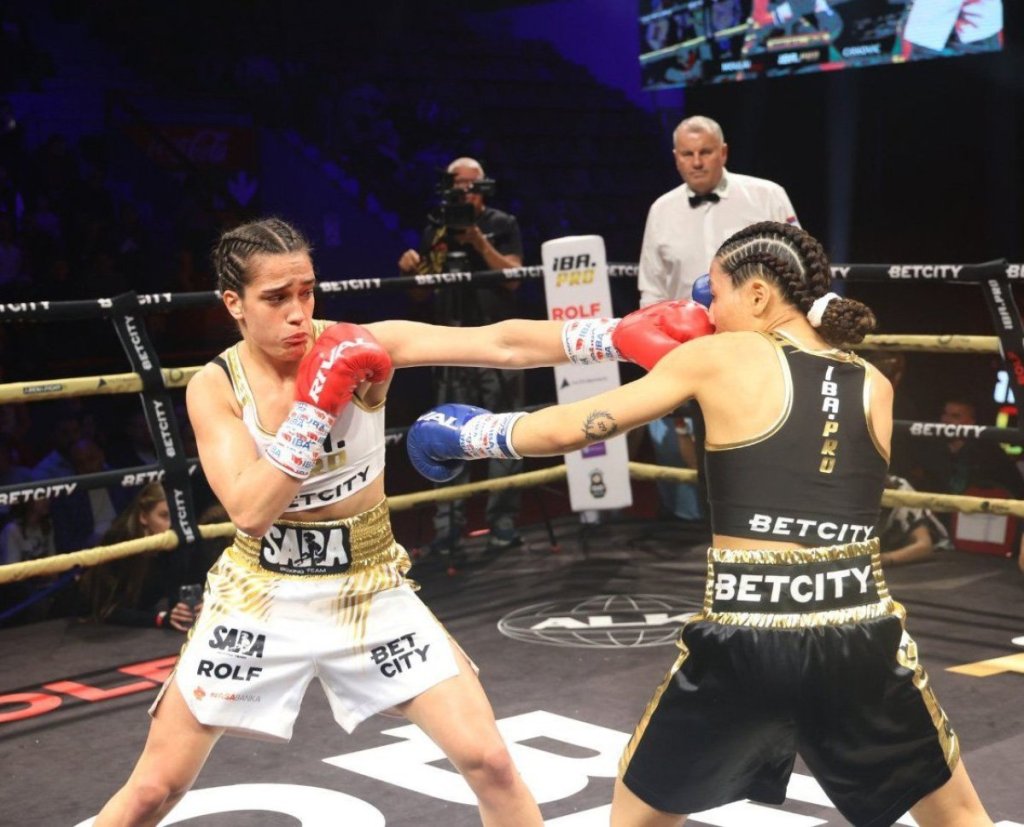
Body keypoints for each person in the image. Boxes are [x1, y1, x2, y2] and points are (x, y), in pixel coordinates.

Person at [92, 216, 708, 826]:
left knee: (491, 762)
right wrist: (315, 406)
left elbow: (499, 343)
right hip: (261, 592)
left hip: (368, 586)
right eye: (276, 298)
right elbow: (250, 511)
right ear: (235, 304)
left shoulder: (362, 343)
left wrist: (613, 335)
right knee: (154, 790)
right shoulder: (217, 387)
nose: (298, 314)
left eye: (306, 292)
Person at [409, 220, 992, 826]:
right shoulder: (874, 382)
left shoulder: (719, 355)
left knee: (637, 817)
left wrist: (470, 434)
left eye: (716, 292)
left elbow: (566, 429)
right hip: (860, 630)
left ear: (758, 295)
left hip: (748, 635)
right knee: (957, 815)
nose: (707, 310)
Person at [638, 115, 799, 522]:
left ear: (723, 152)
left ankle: (774, 527)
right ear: (676, 158)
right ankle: (716, 536)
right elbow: (652, 292)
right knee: (707, 452)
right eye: (688, 154)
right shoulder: (661, 210)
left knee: (768, 441)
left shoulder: (766, 196)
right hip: (694, 353)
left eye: (705, 152)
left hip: (760, 346)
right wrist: (657, 359)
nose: (697, 162)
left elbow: (799, 270)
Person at [397, 156, 527, 556]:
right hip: (451, 345)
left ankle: (502, 523)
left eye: (472, 186)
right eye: (458, 186)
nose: (465, 193)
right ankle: (448, 529)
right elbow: (420, 292)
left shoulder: (502, 223)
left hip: (498, 345)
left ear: (483, 188)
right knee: (447, 437)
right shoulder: (436, 228)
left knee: (505, 433)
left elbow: (514, 278)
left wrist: (479, 242)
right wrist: (410, 270)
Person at [78, 482, 201, 632]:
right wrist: (160, 619)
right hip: (79, 621)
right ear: (143, 516)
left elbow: (178, 594)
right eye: (164, 516)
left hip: (136, 619)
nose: (171, 525)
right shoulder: (122, 542)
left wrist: (188, 609)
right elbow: (107, 610)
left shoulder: (177, 540)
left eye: (176, 516)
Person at [879, 474, 953, 567]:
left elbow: (924, 546)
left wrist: (883, 559)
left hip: (937, 553)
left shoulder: (901, 492)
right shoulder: (862, 489)